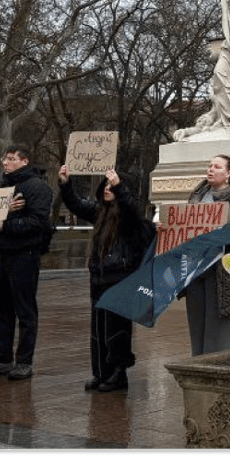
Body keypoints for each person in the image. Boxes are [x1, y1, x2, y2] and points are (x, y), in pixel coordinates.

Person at [58, 165, 155, 393]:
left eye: (111, 186)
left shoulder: (129, 218)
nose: (107, 189)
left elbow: (132, 209)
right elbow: (76, 205)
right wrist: (65, 183)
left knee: (117, 328)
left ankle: (118, 374)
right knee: (99, 328)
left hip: (121, 277)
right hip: (100, 277)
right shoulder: (100, 212)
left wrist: (119, 185)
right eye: (106, 186)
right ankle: (100, 373)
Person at [0, 147, 53, 381]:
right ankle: (2, 359)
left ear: (24, 161)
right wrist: (5, 211)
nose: (5, 163)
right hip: (1, 253)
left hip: (24, 255)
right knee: (1, 310)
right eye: (4, 159)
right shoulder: (1, 187)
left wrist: (6, 225)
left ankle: (24, 361)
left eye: (11, 159)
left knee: (25, 310)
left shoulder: (37, 187)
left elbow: (38, 222)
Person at [182, 154, 230, 355]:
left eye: (216, 166)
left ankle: (221, 371)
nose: (210, 169)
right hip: (198, 271)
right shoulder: (197, 196)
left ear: (228, 174)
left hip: (224, 272)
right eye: (209, 166)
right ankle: (199, 369)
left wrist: (226, 234)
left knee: (220, 331)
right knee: (198, 324)